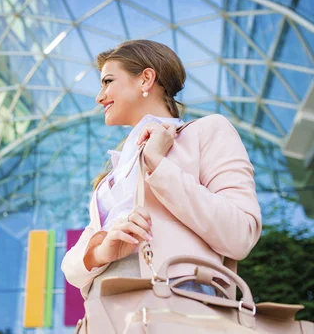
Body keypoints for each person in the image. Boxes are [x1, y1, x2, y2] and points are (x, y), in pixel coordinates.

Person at [61, 40, 262, 304]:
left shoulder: (206, 132)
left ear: (146, 79)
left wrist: (159, 164)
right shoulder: (113, 176)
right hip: (107, 313)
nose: (99, 96)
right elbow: (71, 268)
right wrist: (100, 252)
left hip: (177, 306)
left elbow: (240, 234)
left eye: (107, 81)